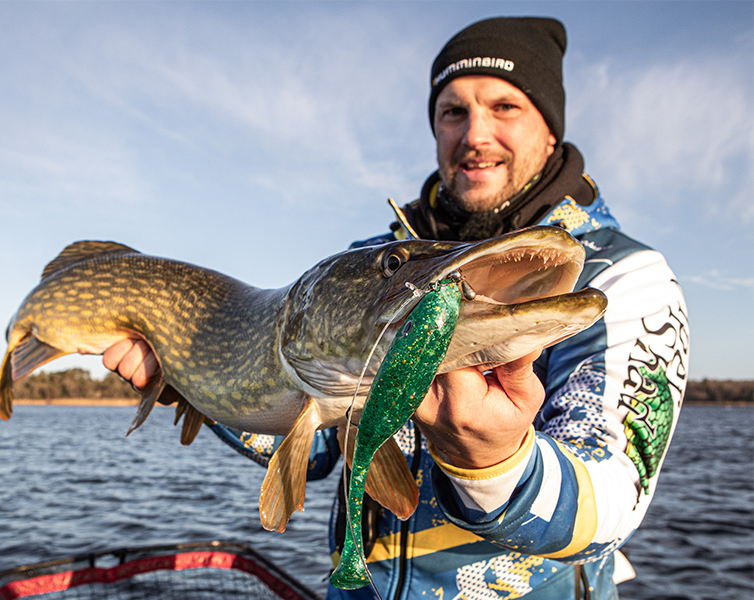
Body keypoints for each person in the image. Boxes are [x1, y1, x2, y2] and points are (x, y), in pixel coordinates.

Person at [103, 16, 689, 599]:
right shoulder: (371, 264)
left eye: (505, 107)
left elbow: (615, 496)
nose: (476, 135)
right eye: (453, 111)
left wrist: (495, 460)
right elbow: (312, 448)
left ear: (551, 130)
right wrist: (192, 379)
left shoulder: (622, 275)